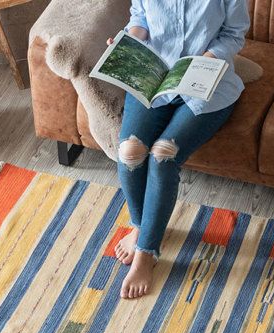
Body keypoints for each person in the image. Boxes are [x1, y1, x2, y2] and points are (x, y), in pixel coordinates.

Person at [107, 0, 250, 299]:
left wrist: (203, 63)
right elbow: (140, 18)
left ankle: (146, 254)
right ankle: (140, 226)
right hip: (154, 78)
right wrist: (129, 42)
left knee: (163, 154)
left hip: (208, 83)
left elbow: (233, 34)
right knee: (130, 151)